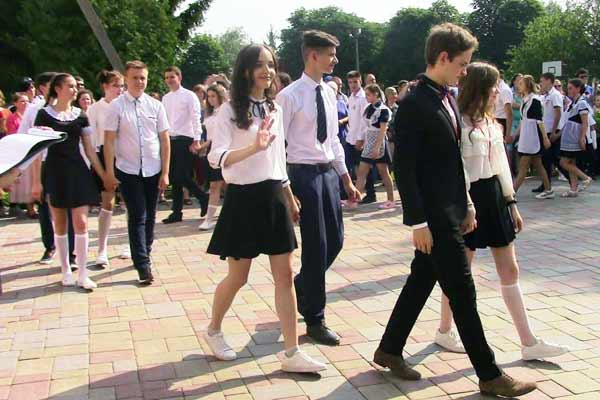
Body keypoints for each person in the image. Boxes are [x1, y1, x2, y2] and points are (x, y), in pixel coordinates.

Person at [374, 23, 537, 396]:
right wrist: (417, 222)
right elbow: (405, 169)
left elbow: (454, 162)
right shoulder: (413, 104)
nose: (465, 71)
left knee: (421, 280)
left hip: (452, 209)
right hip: (432, 218)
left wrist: (468, 204)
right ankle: (490, 374)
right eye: (462, 63)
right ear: (443, 58)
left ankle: (389, 348)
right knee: (462, 291)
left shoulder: (447, 97)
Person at [432, 61, 569, 362]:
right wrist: (467, 206)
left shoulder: (492, 123)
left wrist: (511, 203)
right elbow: (456, 169)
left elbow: (501, 167)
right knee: (460, 272)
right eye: (494, 86)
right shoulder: (456, 123)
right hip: (466, 200)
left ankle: (528, 341)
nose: (499, 91)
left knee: (510, 269)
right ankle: (444, 330)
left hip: (494, 197)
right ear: (480, 88)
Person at [203, 44, 326, 373]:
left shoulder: (275, 108)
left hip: (273, 195)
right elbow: (216, 157)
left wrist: (288, 195)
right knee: (238, 277)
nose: (266, 71)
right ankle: (213, 330)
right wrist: (252, 148)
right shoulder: (228, 110)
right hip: (242, 198)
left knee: (284, 275)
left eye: (270, 64)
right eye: (259, 65)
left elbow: (278, 159)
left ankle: (291, 352)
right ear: (245, 70)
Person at [276, 31, 361, 346]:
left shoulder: (328, 92)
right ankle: (315, 320)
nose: (335, 60)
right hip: (303, 175)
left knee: (335, 242)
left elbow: (334, 140)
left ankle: (303, 285)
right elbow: (277, 147)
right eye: (330, 54)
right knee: (316, 246)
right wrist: (287, 191)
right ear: (313, 55)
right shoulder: (289, 96)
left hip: (328, 174)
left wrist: (346, 178)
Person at [31, 73, 107, 289]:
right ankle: (65, 269)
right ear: (58, 89)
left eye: (76, 86)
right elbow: (37, 151)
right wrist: (36, 182)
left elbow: (90, 150)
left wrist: (104, 175)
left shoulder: (80, 115)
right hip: (54, 171)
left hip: (77, 171)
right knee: (60, 223)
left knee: (81, 222)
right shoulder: (43, 115)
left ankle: (83, 273)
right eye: (71, 86)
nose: (75, 90)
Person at [103, 60, 171, 284]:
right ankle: (142, 264)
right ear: (126, 79)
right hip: (128, 169)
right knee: (137, 215)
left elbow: (164, 140)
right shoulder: (116, 106)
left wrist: (165, 172)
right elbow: (109, 141)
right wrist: (109, 172)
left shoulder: (156, 106)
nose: (139, 81)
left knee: (150, 215)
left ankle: (145, 252)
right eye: (135, 77)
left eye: (143, 78)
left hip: (153, 169)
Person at [18, 72, 77, 265]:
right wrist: (23, 169)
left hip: (66, 164)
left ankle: (71, 252)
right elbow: (24, 136)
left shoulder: (70, 109)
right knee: (44, 206)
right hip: (42, 163)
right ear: (44, 87)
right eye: (54, 84)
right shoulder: (34, 109)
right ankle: (50, 246)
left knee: (69, 207)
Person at [87, 70, 130, 266]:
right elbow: (92, 140)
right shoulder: (95, 108)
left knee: (130, 201)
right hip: (105, 155)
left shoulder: (126, 105)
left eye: (122, 86)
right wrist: (100, 169)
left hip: (126, 155)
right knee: (108, 203)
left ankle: (130, 244)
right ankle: (102, 249)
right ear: (105, 86)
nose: (119, 89)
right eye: (115, 85)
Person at [161, 66, 209, 224]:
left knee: (180, 175)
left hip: (185, 139)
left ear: (179, 78)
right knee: (175, 178)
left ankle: (203, 197)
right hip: (170, 139)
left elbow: (196, 117)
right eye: (167, 77)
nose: (169, 80)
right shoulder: (166, 98)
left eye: (172, 77)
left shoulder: (189, 96)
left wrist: (197, 139)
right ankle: (176, 212)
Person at [512, 75, 554, 199]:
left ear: (527, 85)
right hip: (526, 136)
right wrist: (515, 135)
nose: (518, 86)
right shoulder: (525, 99)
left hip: (532, 137)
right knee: (538, 164)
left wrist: (545, 138)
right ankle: (548, 189)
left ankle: (511, 194)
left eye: (521, 83)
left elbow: (539, 121)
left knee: (523, 167)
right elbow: (523, 120)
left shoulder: (535, 100)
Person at [354, 84, 395, 209]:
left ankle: (391, 199)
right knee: (361, 171)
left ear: (375, 94)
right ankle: (355, 199)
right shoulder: (368, 108)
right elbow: (365, 126)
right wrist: (361, 140)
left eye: (368, 94)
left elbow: (383, 130)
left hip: (379, 142)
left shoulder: (383, 110)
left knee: (383, 172)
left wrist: (377, 147)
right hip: (369, 141)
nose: (366, 97)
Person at [198, 83, 227, 231]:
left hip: (227, 149)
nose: (210, 99)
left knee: (230, 185)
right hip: (213, 151)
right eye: (208, 96)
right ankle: (209, 219)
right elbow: (210, 137)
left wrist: (220, 80)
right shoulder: (209, 113)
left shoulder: (227, 109)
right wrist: (201, 147)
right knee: (214, 185)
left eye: (213, 96)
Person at [559, 78, 593, 197]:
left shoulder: (582, 103)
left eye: (571, 88)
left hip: (574, 136)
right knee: (571, 162)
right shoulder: (573, 102)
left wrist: (582, 137)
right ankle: (573, 188)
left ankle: (585, 177)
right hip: (569, 136)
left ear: (578, 89)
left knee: (563, 162)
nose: (568, 90)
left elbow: (585, 122)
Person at [346, 70, 375, 206]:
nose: (352, 85)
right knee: (354, 167)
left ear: (360, 82)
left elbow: (365, 120)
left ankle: (371, 193)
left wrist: (361, 138)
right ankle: (357, 192)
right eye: (350, 82)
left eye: (355, 82)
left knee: (365, 167)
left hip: (360, 138)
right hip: (350, 137)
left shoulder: (364, 98)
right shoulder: (351, 97)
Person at [533, 72, 565, 193]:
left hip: (552, 131)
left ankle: (573, 179)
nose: (541, 83)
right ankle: (546, 184)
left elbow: (558, 113)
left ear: (548, 80)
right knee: (546, 159)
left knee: (555, 158)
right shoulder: (546, 95)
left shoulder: (555, 95)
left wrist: (553, 131)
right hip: (546, 131)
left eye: (542, 81)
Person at [6, 93, 36, 219]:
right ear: (16, 103)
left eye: (27, 101)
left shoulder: (31, 116)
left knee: (33, 179)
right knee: (25, 181)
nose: (26, 104)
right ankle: (30, 208)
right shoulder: (12, 118)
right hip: (20, 151)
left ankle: (33, 205)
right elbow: (12, 134)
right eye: (22, 101)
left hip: (32, 150)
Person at [494, 72, 513, 137]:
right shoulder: (498, 88)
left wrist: (508, 134)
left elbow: (509, 112)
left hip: (502, 121)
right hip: (496, 120)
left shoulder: (504, 90)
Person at [385, 86, 399, 159]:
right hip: (384, 137)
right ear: (387, 95)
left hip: (394, 138)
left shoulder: (398, 108)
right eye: (392, 94)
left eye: (396, 93)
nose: (395, 96)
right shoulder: (383, 107)